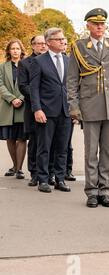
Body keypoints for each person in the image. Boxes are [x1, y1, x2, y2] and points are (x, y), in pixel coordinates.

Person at [68, 8, 109, 208]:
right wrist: (73, 105)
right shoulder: (79, 46)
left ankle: (105, 190)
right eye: (96, 24)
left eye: (102, 23)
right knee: (91, 152)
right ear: (88, 25)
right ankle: (91, 191)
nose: (100, 27)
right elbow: (72, 79)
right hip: (89, 105)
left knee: (108, 151)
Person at [30, 28, 72, 193]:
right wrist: (37, 109)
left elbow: (71, 86)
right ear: (49, 42)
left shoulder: (69, 61)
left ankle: (60, 179)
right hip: (46, 111)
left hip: (65, 111)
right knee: (44, 147)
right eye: (59, 39)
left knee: (62, 148)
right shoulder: (39, 61)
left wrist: (74, 109)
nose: (63, 41)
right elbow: (34, 88)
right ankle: (43, 179)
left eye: (63, 39)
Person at [18, 35, 48, 186]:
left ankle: (49, 173)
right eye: (39, 44)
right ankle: (34, 173)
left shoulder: (54, 61)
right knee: (35, 142)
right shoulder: (25, 63)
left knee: (49, 143)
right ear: (32, 46)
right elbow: (23, 86)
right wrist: (39, 98)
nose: (43, 46)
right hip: (33, 108)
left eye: (44, 43)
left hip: (52, 108)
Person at [0, 39, 27, 180]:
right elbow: (0, 85)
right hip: (8, 106)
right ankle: (15, 166)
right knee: (10, 138)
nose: (15, 51)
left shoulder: (27, 65)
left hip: (23, 106)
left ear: (21, 50)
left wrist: (21, 98)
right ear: (9, 51)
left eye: (17, 48)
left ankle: (20, 169)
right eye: (13, 48)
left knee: (21, 138)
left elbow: (30, 83)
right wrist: (12, 98)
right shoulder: (2, 67)